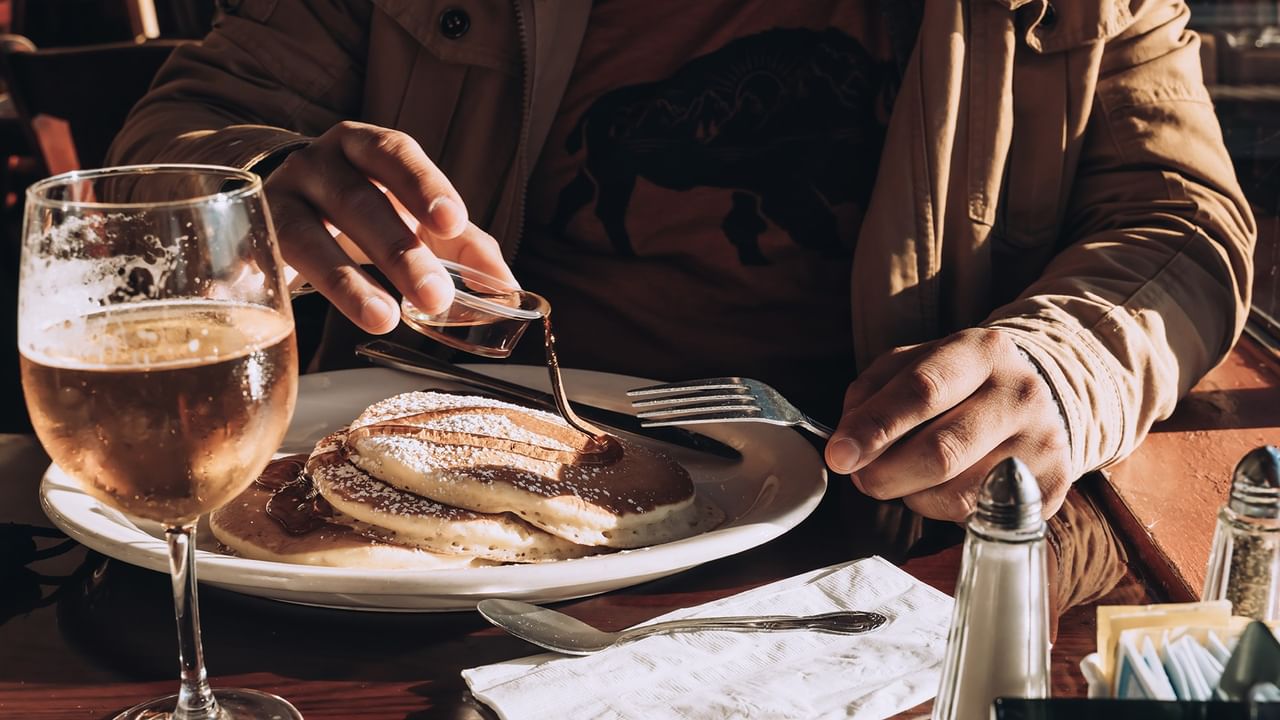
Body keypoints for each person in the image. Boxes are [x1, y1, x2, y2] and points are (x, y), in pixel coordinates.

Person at [109, 0, 1254, 527]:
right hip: (430, 520)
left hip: (890, 527)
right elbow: (183, 137)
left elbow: (1179, 222)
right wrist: (263, 186)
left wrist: (1063, 364)